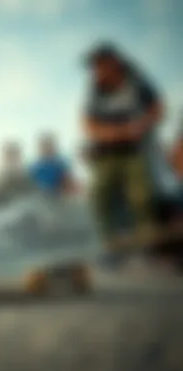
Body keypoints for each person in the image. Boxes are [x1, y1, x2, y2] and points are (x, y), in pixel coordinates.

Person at [83, 43, 163, 258]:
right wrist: (109, 133)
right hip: (105, 154)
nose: (97, 70)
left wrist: (143, 125)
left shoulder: (137, 81)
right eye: (94, 66)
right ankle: (110, 246)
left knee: (141, 197)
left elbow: (157, 108)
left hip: (134, 151)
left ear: (114, 62)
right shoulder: (95, 89)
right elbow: (87, 122)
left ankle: (150, 246)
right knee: (101, 196)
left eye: (100, 64)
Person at [0, 142, 34, 206]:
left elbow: (33, 197)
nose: (12, 159)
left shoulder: (26, 178)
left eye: (14, 155)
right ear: (5, 157)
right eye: (10, 156)